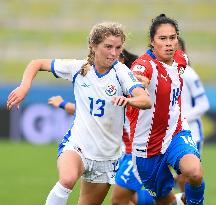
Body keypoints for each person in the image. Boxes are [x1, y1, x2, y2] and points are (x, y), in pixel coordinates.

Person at [7, 22, 151, 205]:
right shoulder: (78, 68)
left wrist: (129, 100)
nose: (114, 53)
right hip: (78, 145)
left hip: (106, 158)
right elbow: (37, 63)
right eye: (108, 47)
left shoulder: (121, 72)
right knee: (67, 179)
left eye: (118, 48)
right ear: (93, 45)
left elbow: (145, 100)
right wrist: (24, 86)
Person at [48, 49, 155, 205]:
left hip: (132, 152)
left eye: (116, 53)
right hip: (119, 152)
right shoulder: (108, 79)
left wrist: (144, 85)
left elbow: (145, 94)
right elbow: (91, 111)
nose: (110, 56)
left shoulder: (126, 81)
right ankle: (174, 201)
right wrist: (63, 104)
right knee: (127, 199)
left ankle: (172, 200)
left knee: (120, 199)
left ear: (122, 61)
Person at [128, 14, 205, 205]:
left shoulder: (181, 59)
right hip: (146, 145)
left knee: (194, 173)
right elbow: (136, 75)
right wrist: (138, 84)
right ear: (152, 42)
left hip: (175, 132)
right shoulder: (143, 65)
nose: (169, 43)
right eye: (163, 39)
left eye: (173, 38)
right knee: (164, 200)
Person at [174, 37, 210, 202]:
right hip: (171, 133)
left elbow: (203, 104)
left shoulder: (188, 73)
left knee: (186, 176)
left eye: (175, 49)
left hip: (192, 132)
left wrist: (183, 116)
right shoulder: (162, 74)